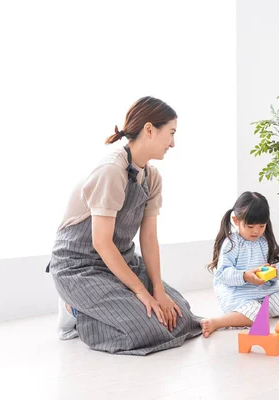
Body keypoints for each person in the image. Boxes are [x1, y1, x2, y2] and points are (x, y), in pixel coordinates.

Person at [48, 96, 202, 355]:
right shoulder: (111, 170)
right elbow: (101, 242)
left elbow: (149, 238)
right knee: (147, 329)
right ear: (150, 130)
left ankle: (109, 304)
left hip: (122, 261)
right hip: (80, 267)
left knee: (181, 317)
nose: (173, 143)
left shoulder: (151, 177)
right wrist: (142, 293)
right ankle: (74, 309)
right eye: (171, 133)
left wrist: (159, 291)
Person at [200, 191, 279, 337]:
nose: (256, 231)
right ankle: (218, 322)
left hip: (266, 293)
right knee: (256, 316)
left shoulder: (266, 241)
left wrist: (275, 270)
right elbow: (222, 274)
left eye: (261, 226)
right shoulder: (231, 243)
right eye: (250, 226)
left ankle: (256, 309)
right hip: (238, 294)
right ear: (236, 220)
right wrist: (245, 276)